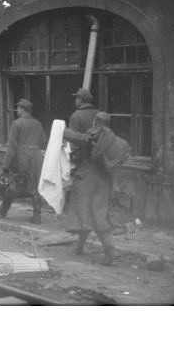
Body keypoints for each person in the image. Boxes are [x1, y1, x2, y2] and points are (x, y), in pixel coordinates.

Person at [63, 112, 127, 266]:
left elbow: (79, 139)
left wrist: (63, 129)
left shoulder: (96, 134)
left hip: (86, 178)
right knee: (95, 212)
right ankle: (80, 246)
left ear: (95, 123)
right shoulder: (112, 138)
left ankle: (110, 250)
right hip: (104, 180)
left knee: (84, 212)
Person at [0, 99, 47, 223]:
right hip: (36, 157)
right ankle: (37, 215)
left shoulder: (16, 124)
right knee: (34, 185)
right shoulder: (38, 123)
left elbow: (12, 146)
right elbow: (43, 142)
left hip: (21, 157)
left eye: (18, 108)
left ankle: (3, 209)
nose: (17, 110)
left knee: (12, 183)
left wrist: (6, 164)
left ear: (22, 109)